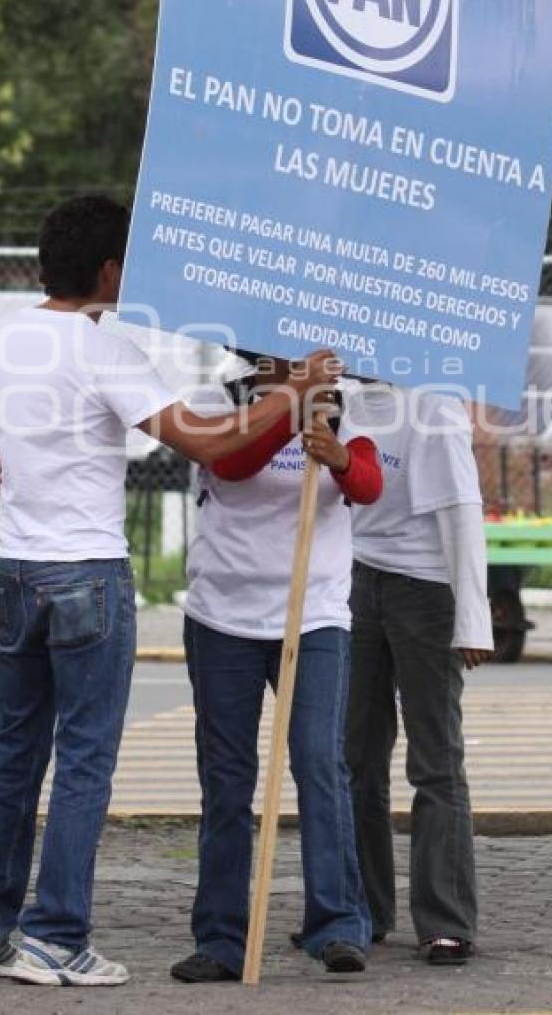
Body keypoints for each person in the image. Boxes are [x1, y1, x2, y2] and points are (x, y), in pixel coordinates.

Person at [0, 195, 339, 989]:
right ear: (112, 269)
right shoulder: (103, 350)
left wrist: (39, 494)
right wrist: (294, 389)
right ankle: (55, 936)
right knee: (84, 757)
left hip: (17, 566)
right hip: (89, 568)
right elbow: (209, 437)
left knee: (11, 749)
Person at [170, 356, 382, 984]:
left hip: (313, 614)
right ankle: (221, 937)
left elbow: (368, 484)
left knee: (320, 765)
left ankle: (339, 925)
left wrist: (339, 457)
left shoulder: (349, 403)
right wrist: (287, 407)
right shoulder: (217, 394)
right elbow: (229, 465)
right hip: (222, 617)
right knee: (228, 779)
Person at [343, 382, 493, 966]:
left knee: (435, 761)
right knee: (354, 758)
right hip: (355, 580)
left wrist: (473, 616)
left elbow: (463, 508)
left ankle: (446, 920)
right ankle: (360, 909)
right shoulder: (343, 402)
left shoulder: (434, 406)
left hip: (426, 591)